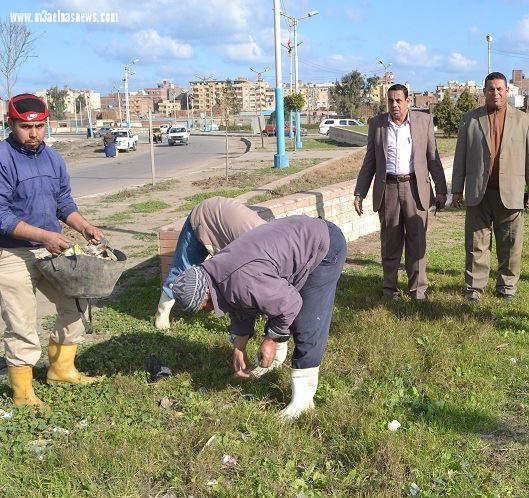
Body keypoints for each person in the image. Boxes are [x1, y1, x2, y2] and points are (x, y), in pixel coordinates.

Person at [169, 215, 347, 420]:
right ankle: (275, 361)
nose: (205, 312)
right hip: (298, 237)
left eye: (202, 308)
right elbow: (241, 303)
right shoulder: (217, 271)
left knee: (306, 322)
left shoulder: (242, 280)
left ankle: (303, 402)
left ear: (206, 295)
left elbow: (289, 303)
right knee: (274, 302)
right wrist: (239, 346)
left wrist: (271, 340)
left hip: (325, 246)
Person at [0, 93, 105, 407]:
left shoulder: (52, 158)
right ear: (10, 123)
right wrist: (44, 236)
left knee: (75, 303)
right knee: (21, 323)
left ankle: (61, 369)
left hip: (49, 249)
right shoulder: (2, 158)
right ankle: (22, 395)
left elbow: (63, 202)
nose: (34, 134)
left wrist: (84, 226)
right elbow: (2, 215)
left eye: (40, 127)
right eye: (25, 127)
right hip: (11, 254)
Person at [354, 83, 447, 300]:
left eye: (398, 100)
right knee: (390, 241)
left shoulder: (423, 122)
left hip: (415, 188)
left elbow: (433, 158)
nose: (394, 105)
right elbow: (370, 161)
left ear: (407, 101)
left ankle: (417, 290)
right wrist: (360, 192)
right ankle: (390, 289)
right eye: (390, 101)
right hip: (388, 189)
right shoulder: (377, 124)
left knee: (417, 241)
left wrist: (441, 189)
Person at [452, 72, 529, 301]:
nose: (495, 93)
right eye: (490, 89)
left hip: (511, 192)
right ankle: (475, 287)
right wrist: (457, 189)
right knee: (476, 244)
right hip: (479, 193)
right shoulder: (470, 119)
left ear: (507, 91)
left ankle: (507, 286)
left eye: (499, 89)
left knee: (510, 244)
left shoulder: (523, 120)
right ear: (483, 92)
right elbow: (460, 156)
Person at [155, 196, 266, 330]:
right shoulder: (259, 255)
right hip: (204, 216)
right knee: (183, 269)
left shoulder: (274, 249)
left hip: (225, 219)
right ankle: (162, 313)